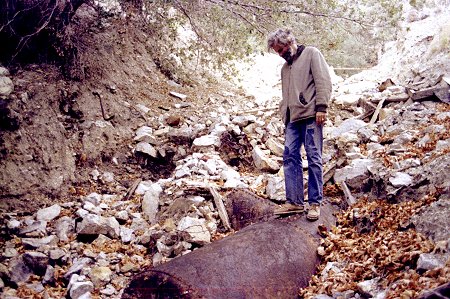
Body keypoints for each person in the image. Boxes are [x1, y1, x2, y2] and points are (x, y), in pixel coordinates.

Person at [268, 28, 332, 221]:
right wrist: (284, 116)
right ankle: (295, 202)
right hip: (292, 120)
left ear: (290, 42)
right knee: (289, 156)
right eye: (277, 52)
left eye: (281, 50)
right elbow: (286, 95)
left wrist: (322, 107)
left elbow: (324, 81)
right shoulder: (284, 68)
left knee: (313, 157)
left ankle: (315, 203)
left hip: (312, 115)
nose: (280, 55)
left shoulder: (312, 53)